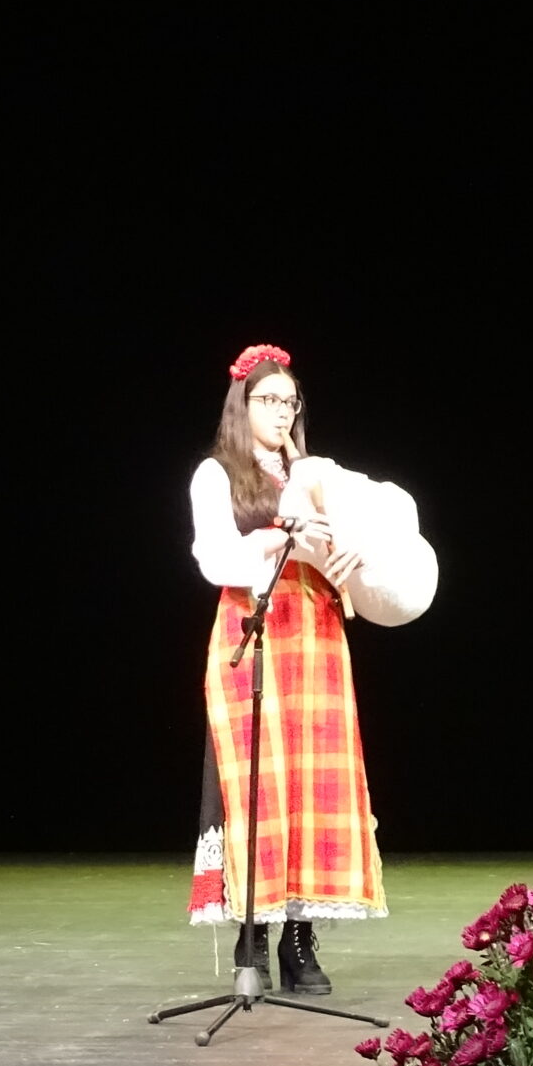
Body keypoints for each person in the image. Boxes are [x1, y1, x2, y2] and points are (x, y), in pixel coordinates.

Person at [184, 343, 389, 996]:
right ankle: (252, 934)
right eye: (269, 400)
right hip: (255, 628)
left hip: (317, 635)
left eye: (290, 402)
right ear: (242, 405)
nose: (282, 412)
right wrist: (280, 536)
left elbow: (356, 547)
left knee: (311, 783)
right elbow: (216, 560)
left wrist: (352, 548)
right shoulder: (218, 474)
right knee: (258, 783)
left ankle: (300, 939)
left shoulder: (316, 475)